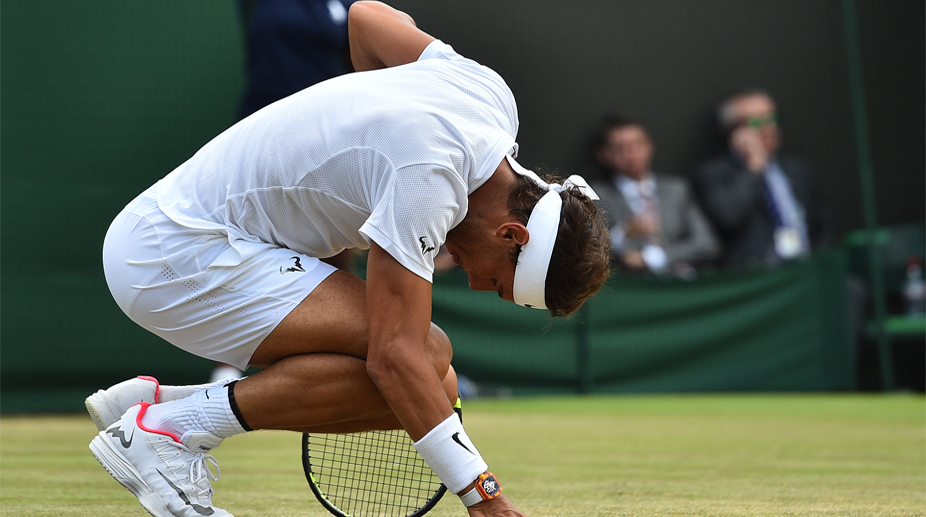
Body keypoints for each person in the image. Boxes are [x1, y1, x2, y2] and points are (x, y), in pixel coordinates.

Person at [85, 3, 611, 517]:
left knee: (438, 383)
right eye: (496, 281)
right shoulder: (430, 180)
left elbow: (366, 17)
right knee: (420, 359)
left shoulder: (487, 96)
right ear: (511, 234)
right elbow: (394, 358)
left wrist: (359, 136)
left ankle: (162, 408)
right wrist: (484, 497)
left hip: (194, 239)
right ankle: (167, 434)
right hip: (171, 254)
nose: (475, 285)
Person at [210, 0, 360, 383]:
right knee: (250, 250)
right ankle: (230, 366)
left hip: (323, 139)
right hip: (259, 139)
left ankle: (345, 356)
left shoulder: (346, 6)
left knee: (336, 252)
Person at [691, 88, 834, 269]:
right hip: (758, 278)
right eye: (757, 122)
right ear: (733, 132)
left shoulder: (800, 170)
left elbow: (825, 226)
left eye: (773, 119)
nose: (769, 129)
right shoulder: (711, 174)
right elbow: (729, 218)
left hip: (805, 271)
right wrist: (754, 166)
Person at [590, 114, 719, 276]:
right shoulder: (597, 195)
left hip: (680, 280)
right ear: (604, 154)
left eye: (637, 144)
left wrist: (652, 258)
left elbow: (706, 243)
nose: (631, 154)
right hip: (633, 287)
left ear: (650, 146)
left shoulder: (677, 189)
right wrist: (624, 234)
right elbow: (590, 249)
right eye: (620, 148)